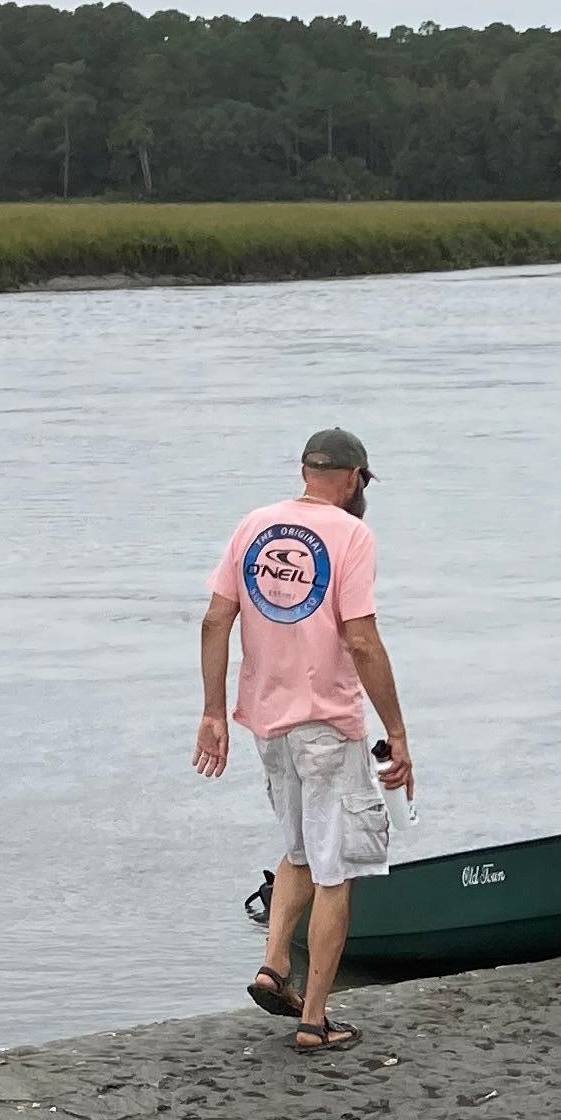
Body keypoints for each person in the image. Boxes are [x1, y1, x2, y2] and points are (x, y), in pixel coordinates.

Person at [194, 427, 415, 1054]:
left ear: (304, 471)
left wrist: (214, 711)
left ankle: (272, 966)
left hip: (268, 724)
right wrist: (396, 731)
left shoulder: (254, 525)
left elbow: (216, 618)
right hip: (326, 723)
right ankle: (315, 1019)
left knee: (295, 851)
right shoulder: (352, 534)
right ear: (352, 479)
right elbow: (364, 640)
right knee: (336, 869)